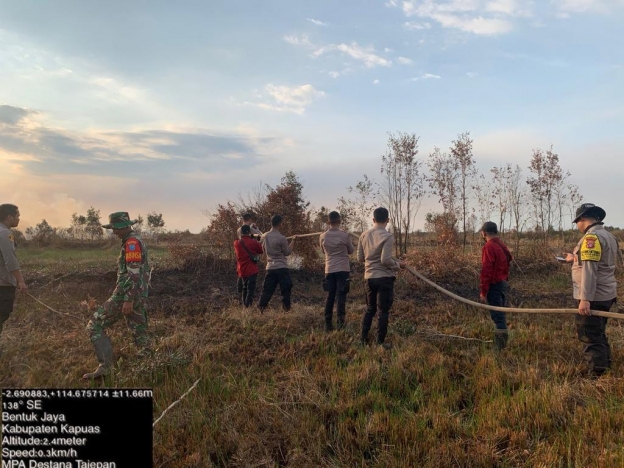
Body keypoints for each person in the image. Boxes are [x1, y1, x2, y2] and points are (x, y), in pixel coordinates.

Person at [83, 212, 150, 379]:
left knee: (94, 325)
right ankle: (149, 366)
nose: (114, 232)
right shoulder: (132, 240)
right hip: (138, 294)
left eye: (116, 228)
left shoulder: (132, 243)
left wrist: (127, 299)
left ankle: (105, 367)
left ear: (124, 227)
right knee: (139, 330)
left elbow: (133, 273)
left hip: (126, 295)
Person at [563, 203, 618, 377]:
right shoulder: (608, 236)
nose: (577, 226)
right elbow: (596, 262)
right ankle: (605, 364)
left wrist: (584, 298)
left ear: (583, 219)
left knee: (589, 333)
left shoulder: (591, 238)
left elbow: (590, 269)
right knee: (598, 331)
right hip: (606, 293)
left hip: (594, 295)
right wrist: (574, 259)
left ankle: (597, 373)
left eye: (577, 221)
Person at [357, 207, 406, 347]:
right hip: (384, 278)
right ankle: (380, 342)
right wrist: (399, 265)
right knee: (383, 310)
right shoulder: (388, 236)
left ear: (373, 219)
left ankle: (362, 339)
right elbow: (385, 260)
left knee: (370, 308)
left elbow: (360, 258)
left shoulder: (363, 235)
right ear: (388, 220)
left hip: (369, 278)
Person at [479, 221, 513, 350]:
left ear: (484, 233)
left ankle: (500, 347)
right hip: (502, 284)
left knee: (498, 315)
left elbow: (486, 270)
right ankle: (500, 345)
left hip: (495, 285)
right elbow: (509, 259)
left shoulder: (489, 247)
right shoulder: (501, 245)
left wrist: (483, 291)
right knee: (500, 313)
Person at [319, 211, 354, 331]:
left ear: (328, 222)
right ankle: (340, 324)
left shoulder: (322, 236)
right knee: (341, 297)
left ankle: (327, 324)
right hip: (343, 270)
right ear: (339, 221)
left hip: (329, 269)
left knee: (330, 296)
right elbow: (351, 251)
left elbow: (323, 251)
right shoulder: (344, 235)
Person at [0, 204, 27, 354]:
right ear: (9, 217)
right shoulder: (5, 234)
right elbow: (10, 260)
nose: (18, 218)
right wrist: (20, 281)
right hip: (2, 284)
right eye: (17, 215)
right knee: (1, 315)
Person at [257, 215, 296, 312]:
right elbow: (287, 252)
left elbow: (263, 249)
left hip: (270, 267)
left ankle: (260, 308)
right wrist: (293, 241)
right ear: (280, 223)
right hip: (281, 267)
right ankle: (286, 310)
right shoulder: (281, 238)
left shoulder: (264, 236)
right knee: (286, 290)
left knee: (267, 290)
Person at [234, 224, 263, 307]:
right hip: (252, 269)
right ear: (249, 232)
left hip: (242, 269)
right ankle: (248, 306)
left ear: (241, 232)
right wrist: (258, 240)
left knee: (244, 288)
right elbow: (260, 250)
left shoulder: (236, 243)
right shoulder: (253, 242)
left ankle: (244, 306)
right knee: (251, 289)